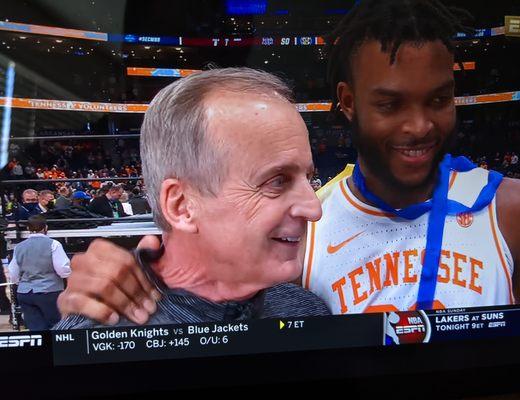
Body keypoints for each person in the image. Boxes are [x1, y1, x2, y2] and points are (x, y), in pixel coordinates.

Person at [57, 0, 520, 324]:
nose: (419, 126)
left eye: (440, 100)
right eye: (390, 104)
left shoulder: (513, 208)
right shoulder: (306, 237)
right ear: (347, 102)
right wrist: (129, 274)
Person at [54, 67, 329, 328]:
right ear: (182, 205)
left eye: (308, 177)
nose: (314, 208)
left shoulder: (307, 311)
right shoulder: (94, 337)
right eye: (277, 181)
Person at [8, 215, 71, 330]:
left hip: (25, 293)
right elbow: (62, 269)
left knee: (36, 329)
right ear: (45, 227)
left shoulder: (19, 247)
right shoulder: (54, 244)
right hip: (50, 291)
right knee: (56, 327)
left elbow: (13, 273)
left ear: (28, 229)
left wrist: (20, 283)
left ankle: (42, 348)